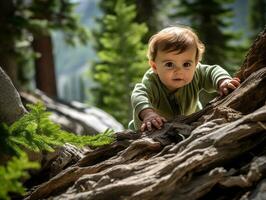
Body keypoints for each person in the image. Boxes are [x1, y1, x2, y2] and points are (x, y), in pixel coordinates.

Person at [128, 25, 240, 132]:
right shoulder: (152, 82)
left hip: (189, 122)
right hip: (153, 129)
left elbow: (212, 71)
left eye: (186, 64)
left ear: (196, 63)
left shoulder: (196, 72)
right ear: (155, 67)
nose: (179, 71)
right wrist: (148, 114)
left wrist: (223, 81)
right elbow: (139, 94)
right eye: (169, 64)